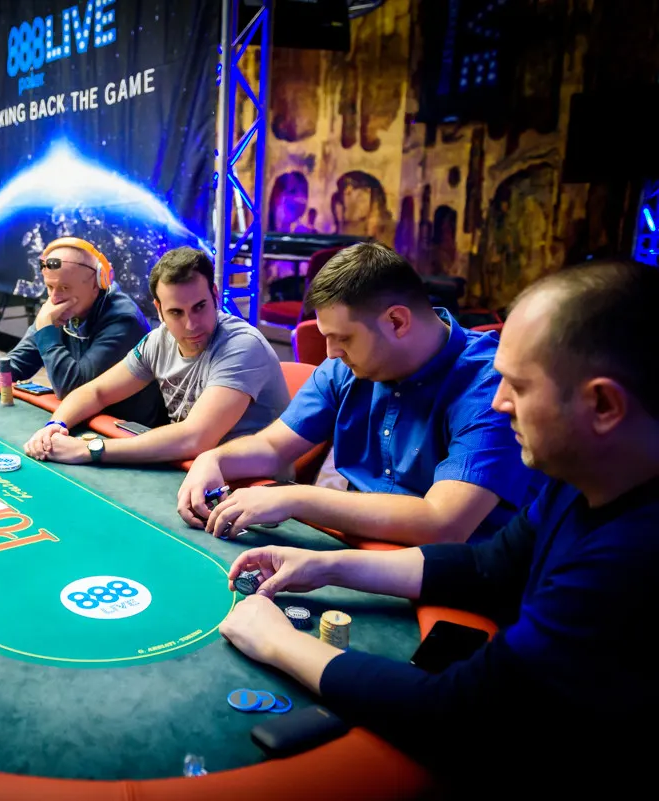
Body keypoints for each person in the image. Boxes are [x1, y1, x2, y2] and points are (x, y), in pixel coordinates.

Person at [217, 260, 659, 787]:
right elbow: (488, 566)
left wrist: (278, 642)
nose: (500, 401)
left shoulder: (632, 554)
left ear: (603, 405)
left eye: (518, 386)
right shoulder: (582, 477)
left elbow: (457, 713)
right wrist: (324, 565)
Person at [179, 242, 541, 546]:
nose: (331, 353)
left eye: (344, 338)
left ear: (397, 321)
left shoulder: (490, 386)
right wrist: (215, 460)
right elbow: (273, 447)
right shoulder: (346, 367)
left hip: (453, 579)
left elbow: (443, 522)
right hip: (357, 548)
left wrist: (292, 497)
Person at [23, 246, 288, 466]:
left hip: (253, 484)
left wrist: (89, 449)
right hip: (190, 467)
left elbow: (195, 438)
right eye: (176, 312)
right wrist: (55, 425)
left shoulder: (242, 345)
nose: (191, 325)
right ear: (159, 310)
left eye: (200, 307)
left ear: (215, 295)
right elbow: (96, 392)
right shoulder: (159, 340)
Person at [0, 237, 165, 427]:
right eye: (50, 287)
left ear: (98, 283)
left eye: (65, 288)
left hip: (125, 431)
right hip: (86, 421)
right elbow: (19, 362)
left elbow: (72, 389)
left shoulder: (123, 319)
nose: (54, 298)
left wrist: (47, 331)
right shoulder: (62, 308)